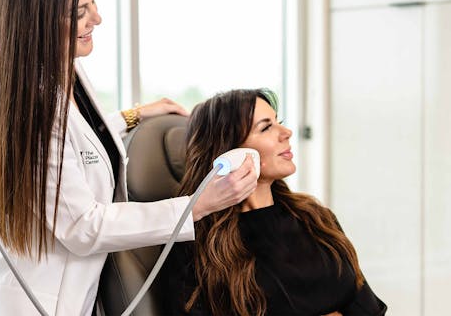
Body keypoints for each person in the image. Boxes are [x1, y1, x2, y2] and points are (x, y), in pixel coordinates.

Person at [0, 0, 258, 316]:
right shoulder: (35, 109)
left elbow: (76, 142)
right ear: (39, 18)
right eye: (80, 11)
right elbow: (84, 226)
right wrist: (195, 207)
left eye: (94, 2)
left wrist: (133, 116)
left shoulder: (62, 71)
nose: (97, 18)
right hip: (36, 304)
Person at [157, 88, 387, 316]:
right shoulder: (193, 244)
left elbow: (367, 306)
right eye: (266, 127)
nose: (287, 132)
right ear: (228, 151)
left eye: (279, 122)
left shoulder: (315, 217)